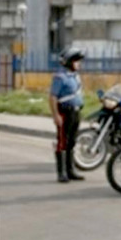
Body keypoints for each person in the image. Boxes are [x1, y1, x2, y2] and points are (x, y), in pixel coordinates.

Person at [49, 47, 85, 183]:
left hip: (76, 111)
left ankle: (71, 170)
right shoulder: (60, 77)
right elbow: (53, 97)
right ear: (69, 62)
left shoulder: (75, 76)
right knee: (62, 142)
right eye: (76, 61)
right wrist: (55, 115)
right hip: (65, 111)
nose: (79, 64)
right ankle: (61, 172)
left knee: (72, 142)